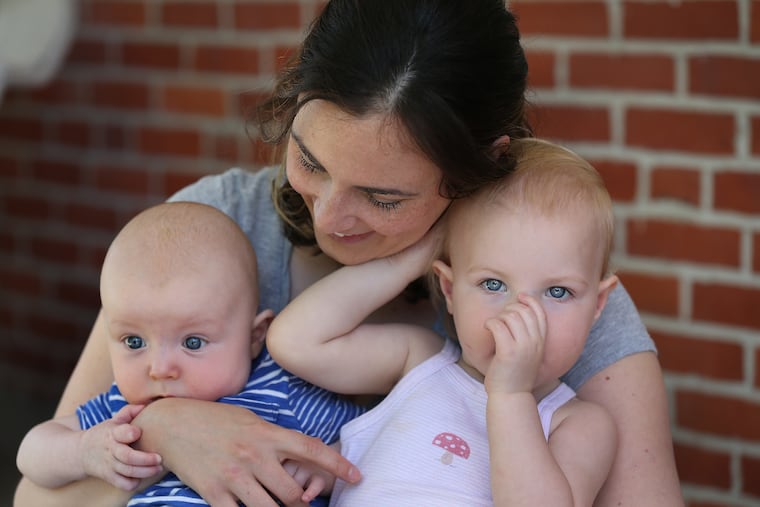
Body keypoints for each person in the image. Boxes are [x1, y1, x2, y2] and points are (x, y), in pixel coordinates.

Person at [14, 1, 683, 506]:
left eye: (384, 197)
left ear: (478, 165)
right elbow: (35, 496)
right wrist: (165, 430)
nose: (329, 215)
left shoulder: (548, 298)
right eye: (309, 160)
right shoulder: (207, 230)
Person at [267, 138, 619, 506]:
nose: (519, 315)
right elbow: (295, 342)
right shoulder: (422, 362)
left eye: (558, 292)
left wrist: (510, 396)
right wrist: (407, 260)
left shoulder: (579, 425)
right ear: (450, 290)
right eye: (493, 284)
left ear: (597, 303)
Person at [16, 201, 364, 507]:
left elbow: (369, 444)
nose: (160, 368)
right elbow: (31, 452)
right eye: (134, 342)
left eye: (193, 343)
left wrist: (323, 468)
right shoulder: (122, 415)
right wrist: (83, 451)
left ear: (255, 337)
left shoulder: (280, 389)